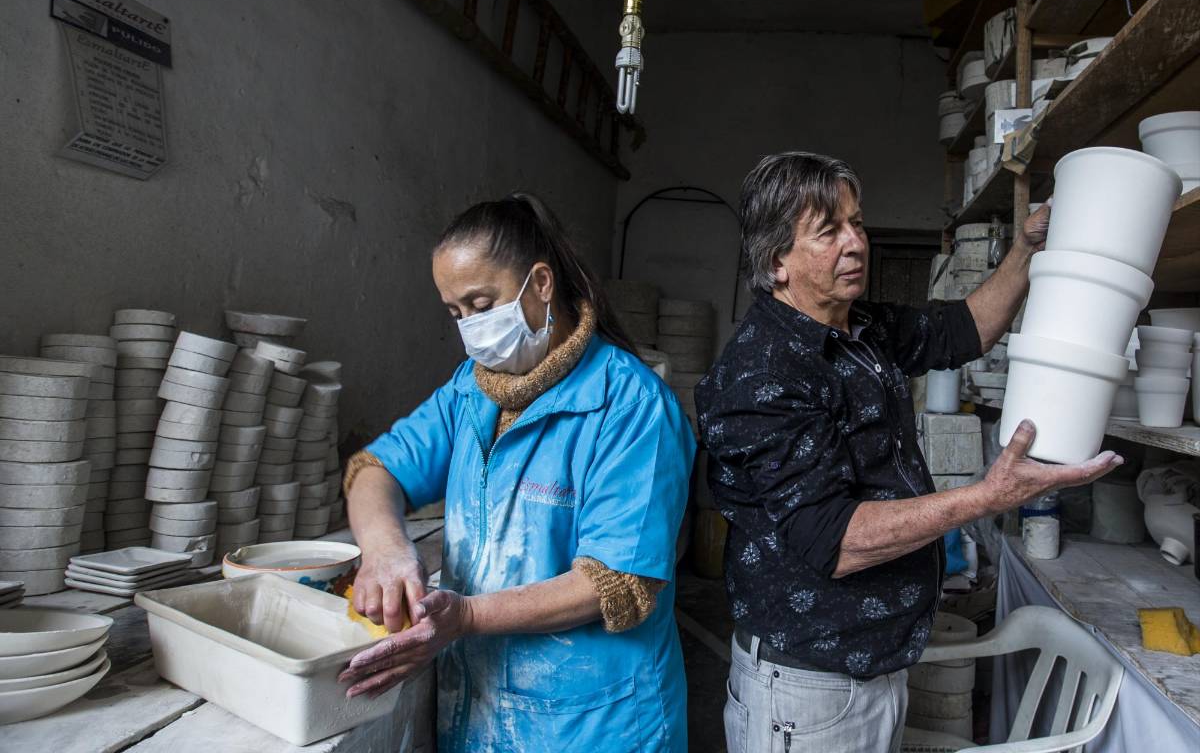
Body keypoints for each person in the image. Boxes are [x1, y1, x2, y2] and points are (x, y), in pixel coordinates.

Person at [695, 152, 1123, 753]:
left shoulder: (858, 326)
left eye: (857, 223)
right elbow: (836, 542)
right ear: (777, 262)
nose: (856, 244)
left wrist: (1027, 252)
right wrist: (986, 497)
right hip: (808, 686)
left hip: (877, 664)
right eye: (829, 231)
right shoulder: (761, 373)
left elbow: (964, 330)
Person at [337, 193, 694, 752]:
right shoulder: (470, 389)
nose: (471, 328)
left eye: (482, 304)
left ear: (541, 284)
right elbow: (375, 470)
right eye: (456, 313)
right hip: (478, 714)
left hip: (592, 726)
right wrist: (386, 551)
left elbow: (619, 582)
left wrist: (469, 617)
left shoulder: (631, 404)